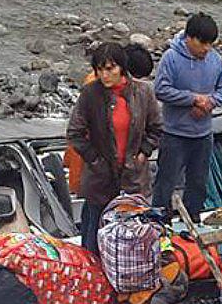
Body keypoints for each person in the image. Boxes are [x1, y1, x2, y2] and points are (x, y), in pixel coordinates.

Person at [66, 42, 162, 254]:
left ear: (122, 68)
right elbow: (75, 132)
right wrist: (94, 160)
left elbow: (156, 127)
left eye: (110, 68)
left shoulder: (143, 92)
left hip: (133, 177)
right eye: (100, 69)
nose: (105, 75)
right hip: (100, 177)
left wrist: (144, 152)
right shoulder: (90, 94)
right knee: (94, 236)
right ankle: (92, 278)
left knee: (133, 235)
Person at [151, 13, 222, 217]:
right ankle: (160, 221)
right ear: (189, 38)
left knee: (198, 183)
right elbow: (160, 89)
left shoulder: (215, 60)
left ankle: (194, 220)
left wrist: (210, 102)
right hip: (174, 133)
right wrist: (192, 99)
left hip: (203, 134)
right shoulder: (171, 58)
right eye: (202, 43)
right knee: (166, 182)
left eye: (210, 44)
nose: (206, 48)